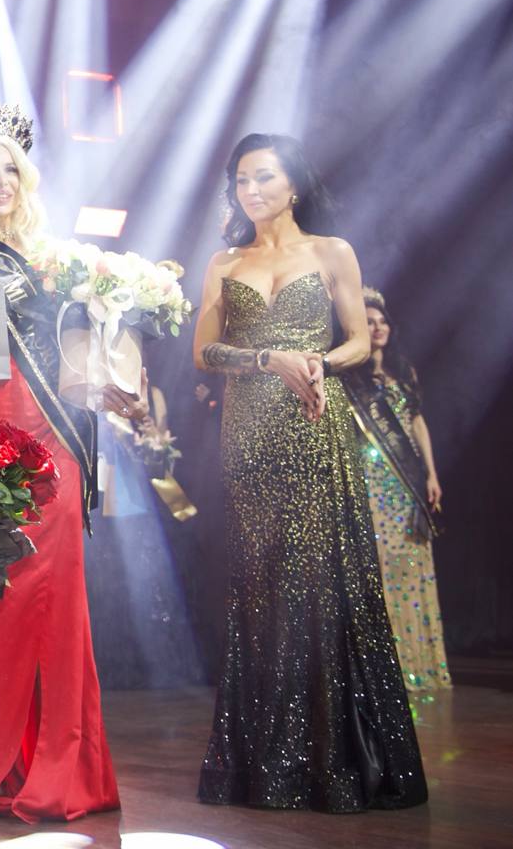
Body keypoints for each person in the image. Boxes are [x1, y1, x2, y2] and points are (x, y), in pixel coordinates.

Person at [194, 132, 427, 812]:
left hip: (312, 425)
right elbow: (204, 352)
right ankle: (264, 763)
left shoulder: (331, 252)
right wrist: (266, 359)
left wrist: (317, 362)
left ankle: (331, 760)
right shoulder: (224, 261)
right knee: (259, 584)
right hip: (246, 435)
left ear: (292, 184)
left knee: (319, 581)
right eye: (241, 180)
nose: (251, 190)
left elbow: (355, 339)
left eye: (264, 177)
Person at [0, 100, 120, 823]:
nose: (0, 181)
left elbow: (76, 356)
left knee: (56, 601)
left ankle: (59, 769)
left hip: (56, 443)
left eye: (10, 169)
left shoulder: (54, 262)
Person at [342, 289, 451, 693]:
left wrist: (432, 475)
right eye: (369, 322)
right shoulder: (350, 379)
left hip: (407, 481)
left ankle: (419, 664)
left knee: (411, 565)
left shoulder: (404, 372)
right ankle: (386, 667)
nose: (377, 328)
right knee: (382, 569)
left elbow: (417, 423)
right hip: (371, 481)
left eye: (382, 321)